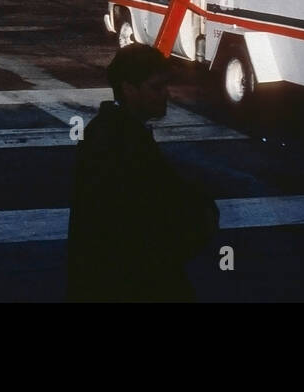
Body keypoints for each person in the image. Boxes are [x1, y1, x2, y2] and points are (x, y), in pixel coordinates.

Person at [67, 44, 219, 301]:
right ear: (129, 89)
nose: (165, 95)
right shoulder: (124, 143)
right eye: (156, 88)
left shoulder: (110, 132)